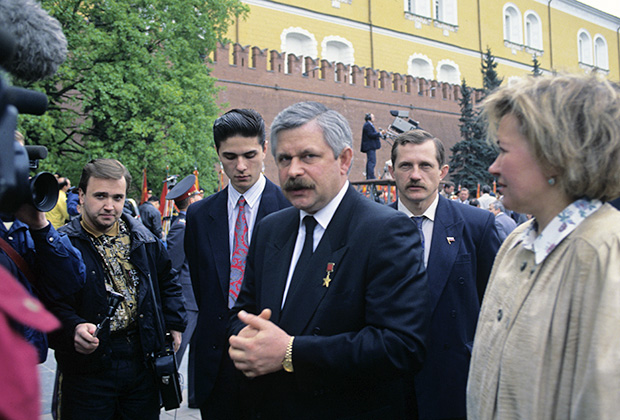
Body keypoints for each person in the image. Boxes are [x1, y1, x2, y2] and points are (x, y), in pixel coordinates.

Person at [228, 101, 430, 419]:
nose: (293, 170)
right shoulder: (271, 229)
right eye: (284, 159)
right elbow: (242, 311)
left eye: (308, 156)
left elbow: (400, 346)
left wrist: (291, 352)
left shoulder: (385, 231)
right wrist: (246, 342)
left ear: (344, 160)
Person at [467, 74, 620, 419]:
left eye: (504, 151)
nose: (493, 166)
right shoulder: (515, 244)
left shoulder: (605, 252)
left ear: (555, 156)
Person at [47, 159, 187, 420]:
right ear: (81, 196)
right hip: (88, 370)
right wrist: (73, 328)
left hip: (141, 361)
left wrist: (175, 323)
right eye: (100, 196)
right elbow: (50, 304)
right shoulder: (63, 244)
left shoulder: (144, 239)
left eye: (117, 197)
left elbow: (168, 280)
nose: (109, 206)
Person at [184, 108, 290, 417]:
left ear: (265, 149)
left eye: (250, 154)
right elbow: (204, 289)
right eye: (230, 157)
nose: (241, 166)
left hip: (273, 365)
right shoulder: (200, 215)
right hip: (215, 366)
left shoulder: (290, 210)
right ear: (218, 153)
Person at [388, 129, 500, 420]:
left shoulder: (477, 226)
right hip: (389, 384)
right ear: (391, 172)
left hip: (454, 383)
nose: (415, 175)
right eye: (405, 166)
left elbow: (495, 304)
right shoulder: (370, 227)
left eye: (425, 165)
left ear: (442, 172)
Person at [164, 174, 202, 407]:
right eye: (198, 195)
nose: (201, 197)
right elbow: (171, 269)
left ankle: (196, 397)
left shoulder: (192, 225)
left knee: (198, 353)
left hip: (197, 301)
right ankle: (163, 395)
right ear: (190, 200)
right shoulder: (181, 228)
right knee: (176, 354)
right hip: (186, 303)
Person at [360, 112, 385, 179]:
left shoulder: (368, 125)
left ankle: (370, 176)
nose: (374, 118)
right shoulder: (368, 125)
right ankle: (370, 176)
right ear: (369, 118)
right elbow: (371, 134)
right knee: (372, 161)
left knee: (371, 161)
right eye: (372, 117)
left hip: (370, 146)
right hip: (370, 146)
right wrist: (379, 133)